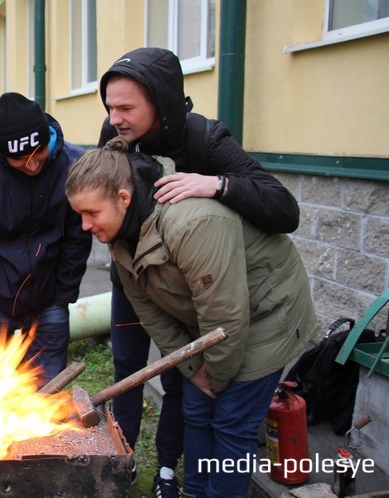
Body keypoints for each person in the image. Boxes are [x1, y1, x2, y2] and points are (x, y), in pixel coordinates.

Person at [96, 47, 301, 497]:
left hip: (218, 290)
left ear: (161, 102)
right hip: (142, 281)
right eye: (110, 107)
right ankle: (156, 471)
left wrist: (217, 185)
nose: (115, 119)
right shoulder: (116, 137)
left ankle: (175, 470)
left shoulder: (203, 140)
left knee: (197, 392)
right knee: (147, 370)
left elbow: (284, 209)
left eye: (126, 107)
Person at [66, 137, 315, 498]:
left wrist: (216, 376)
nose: (85, 226)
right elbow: (148, 309)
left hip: (268, 316)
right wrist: (194, 368)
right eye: (80, 215)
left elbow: (226, 314)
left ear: (123, 198)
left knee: (232, 424)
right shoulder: (120, 233)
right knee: (196, 410)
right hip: (211, 323)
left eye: (92, 214)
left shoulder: (192, 223)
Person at [0, 92, 92, 386]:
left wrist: (63, 294)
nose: (32, 165)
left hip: (51, 302)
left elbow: (78, 236)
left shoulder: (74, 164)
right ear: (2, 152)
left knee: (47, 396)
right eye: (20, 160)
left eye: (38, 154)